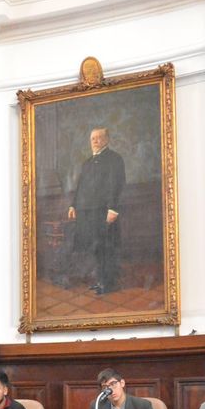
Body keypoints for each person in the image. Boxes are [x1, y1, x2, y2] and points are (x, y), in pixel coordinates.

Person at [66, 126, 126, 295]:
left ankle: (109, 283)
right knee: (95, 248)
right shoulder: (87, 162)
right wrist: (73, 205)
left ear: (107, 140)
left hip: (104, 211)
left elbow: (117, 185)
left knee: (106, 247)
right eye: (93, 138)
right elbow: (80, 187)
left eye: (99, 138)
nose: (95, 141)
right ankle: (101, 280)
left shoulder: (114, 159)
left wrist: (113, 208)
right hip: (87, 212)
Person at [93, 368, 158, 409]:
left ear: (122, 383)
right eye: (105, 387)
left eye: (113, 384)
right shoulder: (97, 406)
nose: (110, 390)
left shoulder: (142, 406)